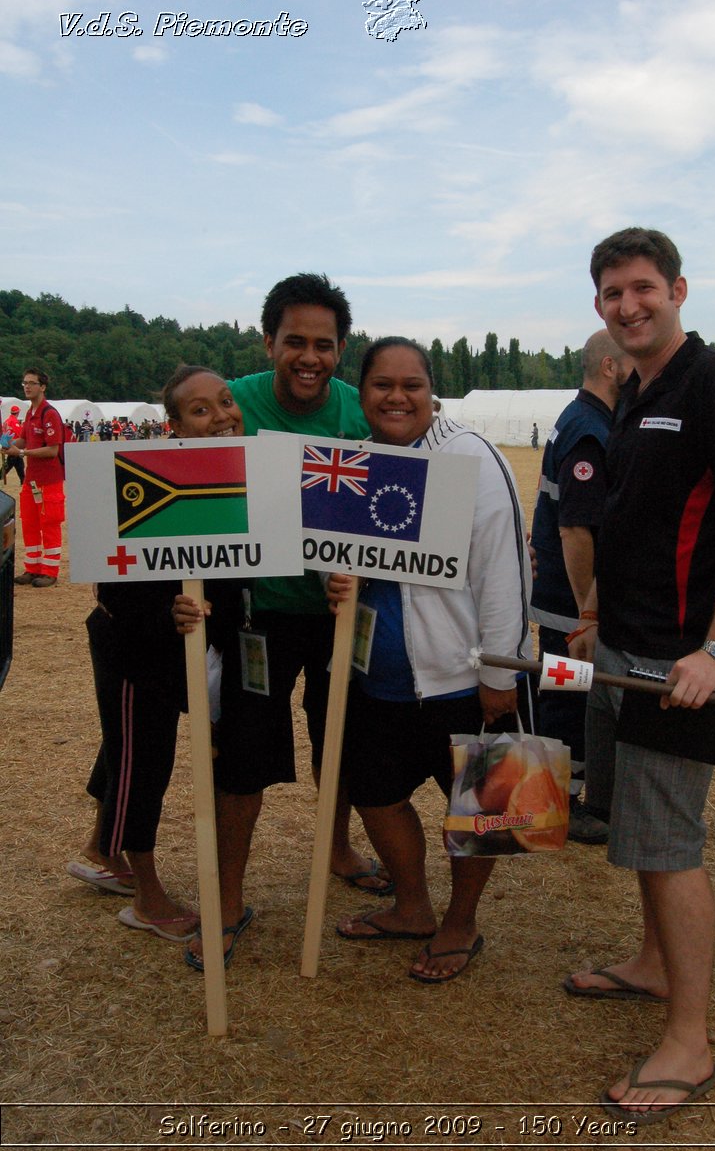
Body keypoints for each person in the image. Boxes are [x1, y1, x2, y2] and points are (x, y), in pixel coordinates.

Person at [563, 229, 715, 1123]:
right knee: (640, 829)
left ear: (678, 289)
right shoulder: (635, 387)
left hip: (682, 658)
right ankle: (653, 966)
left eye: (643, 289)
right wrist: (598, 608)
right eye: (612, 294)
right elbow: (638, 517)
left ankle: (689, 1043)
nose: (628, 306)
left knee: (669, 841)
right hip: (628, 644)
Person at [175, 273, 389, 971]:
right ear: (269, 341)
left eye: (323, 345)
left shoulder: (362, 414)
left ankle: (336, 848)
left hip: (337, 617)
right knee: (242, 762)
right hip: (255, 616)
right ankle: (228, 900)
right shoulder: (233, 400)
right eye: (293, 341)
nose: (309, 357)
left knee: (342, 743)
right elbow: (184, 478)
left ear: (341, 349)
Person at [331, 337, 534, 983]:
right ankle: (413, 907)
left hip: (465, 680)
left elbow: (506, 574)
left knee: (484, 812)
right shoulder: (353, 463)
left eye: (410, 384)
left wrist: (500, 675)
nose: (396, 397)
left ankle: (461, 922)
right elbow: (336, 557)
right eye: (381, 385)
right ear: (359, 394)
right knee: (374, 793)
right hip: (377, 680)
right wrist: (335, 582)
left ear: (431, 390)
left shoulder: (471, 457)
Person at [67, 366, 244, 942]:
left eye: (225, 401)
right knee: (142, 763)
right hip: (134, 648)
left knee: (128, 749)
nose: (220, 416)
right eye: (200, 410)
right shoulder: (135, 479)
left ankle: (100, 849)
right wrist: (165, 613)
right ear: (173, 426)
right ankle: (146, 896)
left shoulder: (243, 471)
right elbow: (112, 587)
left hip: (191, 648)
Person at [529, 330, 629, 843]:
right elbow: (575, 529)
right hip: (569, 606)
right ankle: (561, 807)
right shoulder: (590, 431)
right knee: (568, 700)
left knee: (572, 697)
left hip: (566, 602)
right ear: (611, 366)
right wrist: (589, 610)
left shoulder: (584, 419)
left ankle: (566, 799)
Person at [3, 368, 65, 587]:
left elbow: (52, 450)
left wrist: (21, 453)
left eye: (32, 383)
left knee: (49, 523)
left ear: (43, 387)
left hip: (50, 480)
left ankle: (49, 570)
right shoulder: (30, 413)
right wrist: (8, 446)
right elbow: (22, 440)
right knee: (29, 523)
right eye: (24, 383)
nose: (27, 386)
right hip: (32, 480)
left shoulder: (49, 414)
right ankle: (32, 567)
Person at [2, 405, 25, 484]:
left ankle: (23, 480)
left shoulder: (6, 421)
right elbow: (20, 433)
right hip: (14, 445)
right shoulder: (14, 421)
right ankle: (23, 480)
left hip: (6, 443)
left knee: (19, 464)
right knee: (10, 463)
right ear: (17, 412)